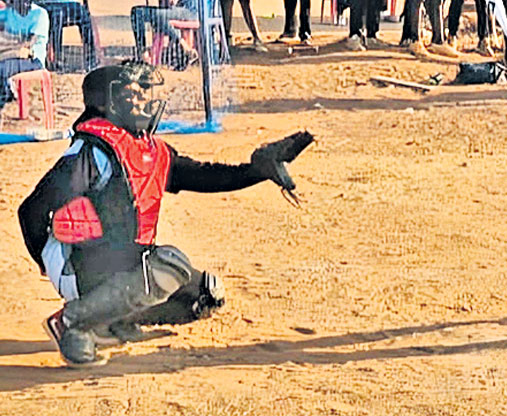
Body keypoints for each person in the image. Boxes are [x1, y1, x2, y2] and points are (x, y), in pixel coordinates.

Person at [17, 60, 313, 366]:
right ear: (106, 103)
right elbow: (32, 210)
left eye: (142, 94)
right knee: (170, 264)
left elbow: (204, 176)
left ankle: (109, 321)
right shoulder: (92, 151)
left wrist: (258, 171)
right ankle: (72, 322)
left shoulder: (150, 150)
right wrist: (46, 262)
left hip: (122, 261)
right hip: (80, 263)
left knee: (205, 295)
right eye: (130, 95)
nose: (141, 102)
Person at [0, 0, 49, 122]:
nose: (23, 0)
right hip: (10, 55)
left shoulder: (39, 14)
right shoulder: (8, 12)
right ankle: (1, 99)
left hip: (32, 60)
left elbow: (28, 44)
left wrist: (4, 46)